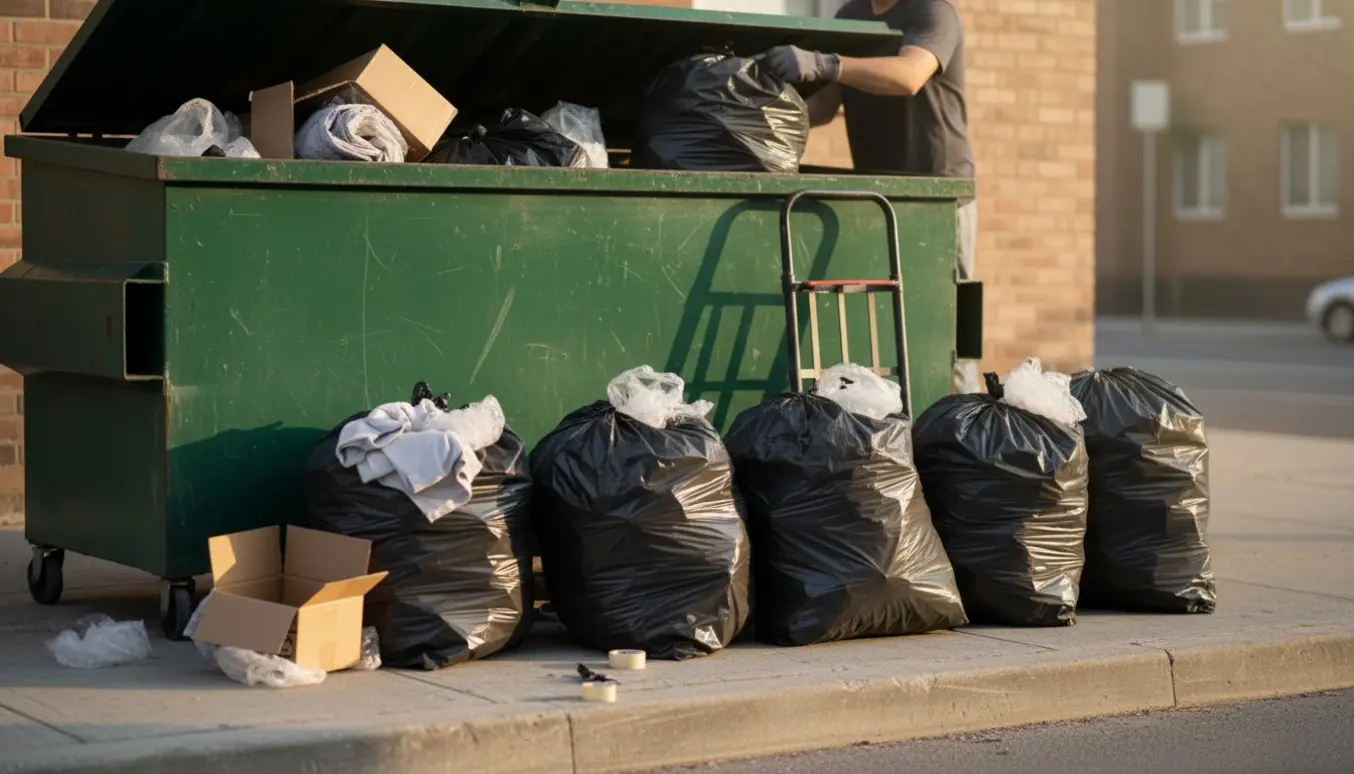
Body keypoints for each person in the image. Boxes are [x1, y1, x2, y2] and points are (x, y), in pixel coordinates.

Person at [762, 0, 979, 394]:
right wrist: (754, 108)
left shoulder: (932, 12)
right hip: (880, 199)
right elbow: (824, 106)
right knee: (887, 327)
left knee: (946, 334)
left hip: (940, 198)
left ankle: (964, 424)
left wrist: (827, 63)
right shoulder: (851, 16)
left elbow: (909, 75)